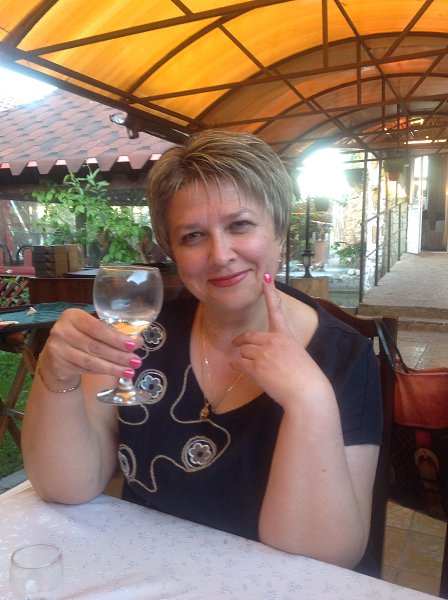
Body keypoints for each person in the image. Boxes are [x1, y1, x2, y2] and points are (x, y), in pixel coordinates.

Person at [22, 130, 381, 570]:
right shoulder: (140, 334)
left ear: (279, 230)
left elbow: (326, 557)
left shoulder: (344, 356)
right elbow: (65, 486)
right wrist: (56, 373)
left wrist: (310, 400)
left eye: (240, 225)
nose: (220, 254)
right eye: (193, 236)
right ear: (172, 250)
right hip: (146, 575)